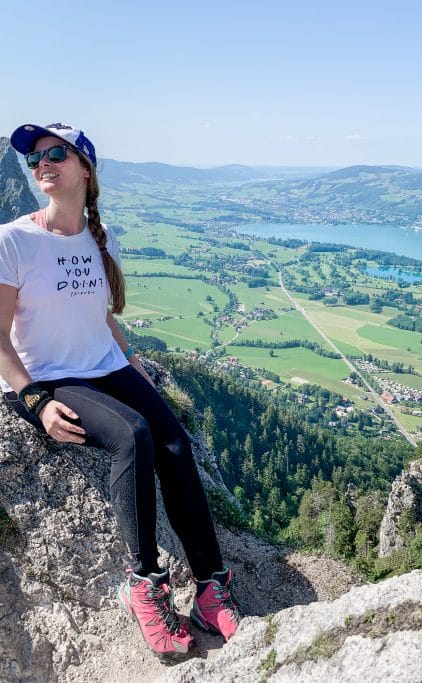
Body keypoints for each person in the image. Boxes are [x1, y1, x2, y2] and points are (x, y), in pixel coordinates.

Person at [0, 122, 242, 656]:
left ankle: (209, 585)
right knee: (133, 437)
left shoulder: (98, 241)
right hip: (53, 376)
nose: (43, 164)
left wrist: (134, 363)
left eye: (56, 153)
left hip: (107, 367)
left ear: (84, 167)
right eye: (35, 158)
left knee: (176, 444)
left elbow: (102, 316)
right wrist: (34, 401)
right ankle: (144, 585)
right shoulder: (14, 240)